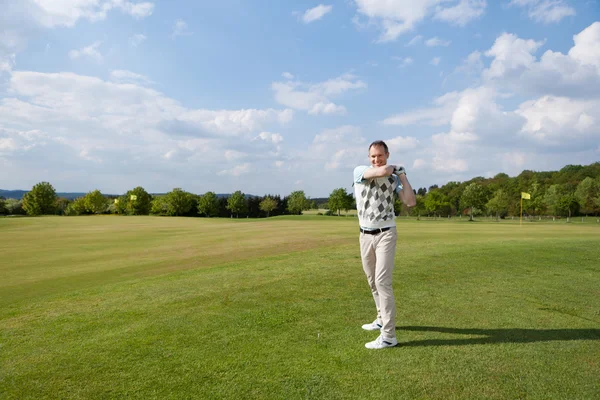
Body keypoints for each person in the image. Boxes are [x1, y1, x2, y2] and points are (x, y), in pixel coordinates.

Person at [353, 140, 416, 349]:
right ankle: (381, 318)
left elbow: (410, 201)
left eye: (380, 155)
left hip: (386, 233)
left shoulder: (394, 178)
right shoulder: (360, 171)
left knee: (382, 281)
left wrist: (403, 176)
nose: (376, 159)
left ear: (387, 154)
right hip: (364, 235)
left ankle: (388, 336)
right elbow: (380, 173)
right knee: (372, 280)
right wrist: (393, 169)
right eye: (373, 156)